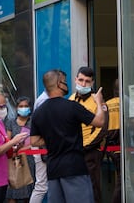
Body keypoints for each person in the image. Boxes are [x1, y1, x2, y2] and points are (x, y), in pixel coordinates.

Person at [30, 69, 107, 203]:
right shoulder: (72, 106)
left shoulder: (38, 112)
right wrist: (99, 102)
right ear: (59, 84)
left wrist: (52, 137)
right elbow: (100, 121)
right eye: (64, 82)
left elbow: (34, 141)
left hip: (53, 169)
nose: (67, 85)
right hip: (74, 168)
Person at [69, 67, 109, 203]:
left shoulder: (97, 101)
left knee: (92, 188)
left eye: (87, 81)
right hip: (73, 151)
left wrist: (85, 146)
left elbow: (102, 128)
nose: (83, 84)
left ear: (92, 83)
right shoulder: (71, 99)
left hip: (90, 152)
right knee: (74, 189)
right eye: (80, 80)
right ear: (75, 79)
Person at [6, 96, 35, 202]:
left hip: (31, 160)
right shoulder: (11, 122)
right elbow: (7, 141)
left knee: (29, 190)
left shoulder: (34, 122)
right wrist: (14, 147)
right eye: (21, 106)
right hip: (16, 160)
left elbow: (37, 140)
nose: (23, 108)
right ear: (17, 108)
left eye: (26, 106)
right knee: (14, 189)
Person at [29, 91, 49, 203]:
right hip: (43, 146)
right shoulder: (45, 100)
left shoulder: (45, 99)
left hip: (43, 146)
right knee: (42, 186)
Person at [105, 78, 121, 203]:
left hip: (109, 146)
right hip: (121, 145)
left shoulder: (106, 104)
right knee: (122, 180)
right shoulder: (126, 102)